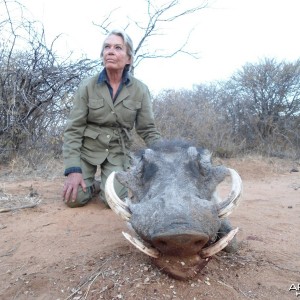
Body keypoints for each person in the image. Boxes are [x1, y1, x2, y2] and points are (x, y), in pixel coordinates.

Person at [62, 29, 161, 208]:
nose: (110, 51)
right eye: (107, 47)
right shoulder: (87, 86)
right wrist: (73, 169)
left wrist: (165, 153)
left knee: (113, 202)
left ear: (129, 58)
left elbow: (147, 129)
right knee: (74, 200)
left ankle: (104, 186)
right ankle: (91, 186)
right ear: (102, 54)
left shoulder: (140, 89)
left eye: (118, 48)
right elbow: (73, 129)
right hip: (88, 150)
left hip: (117, 152)